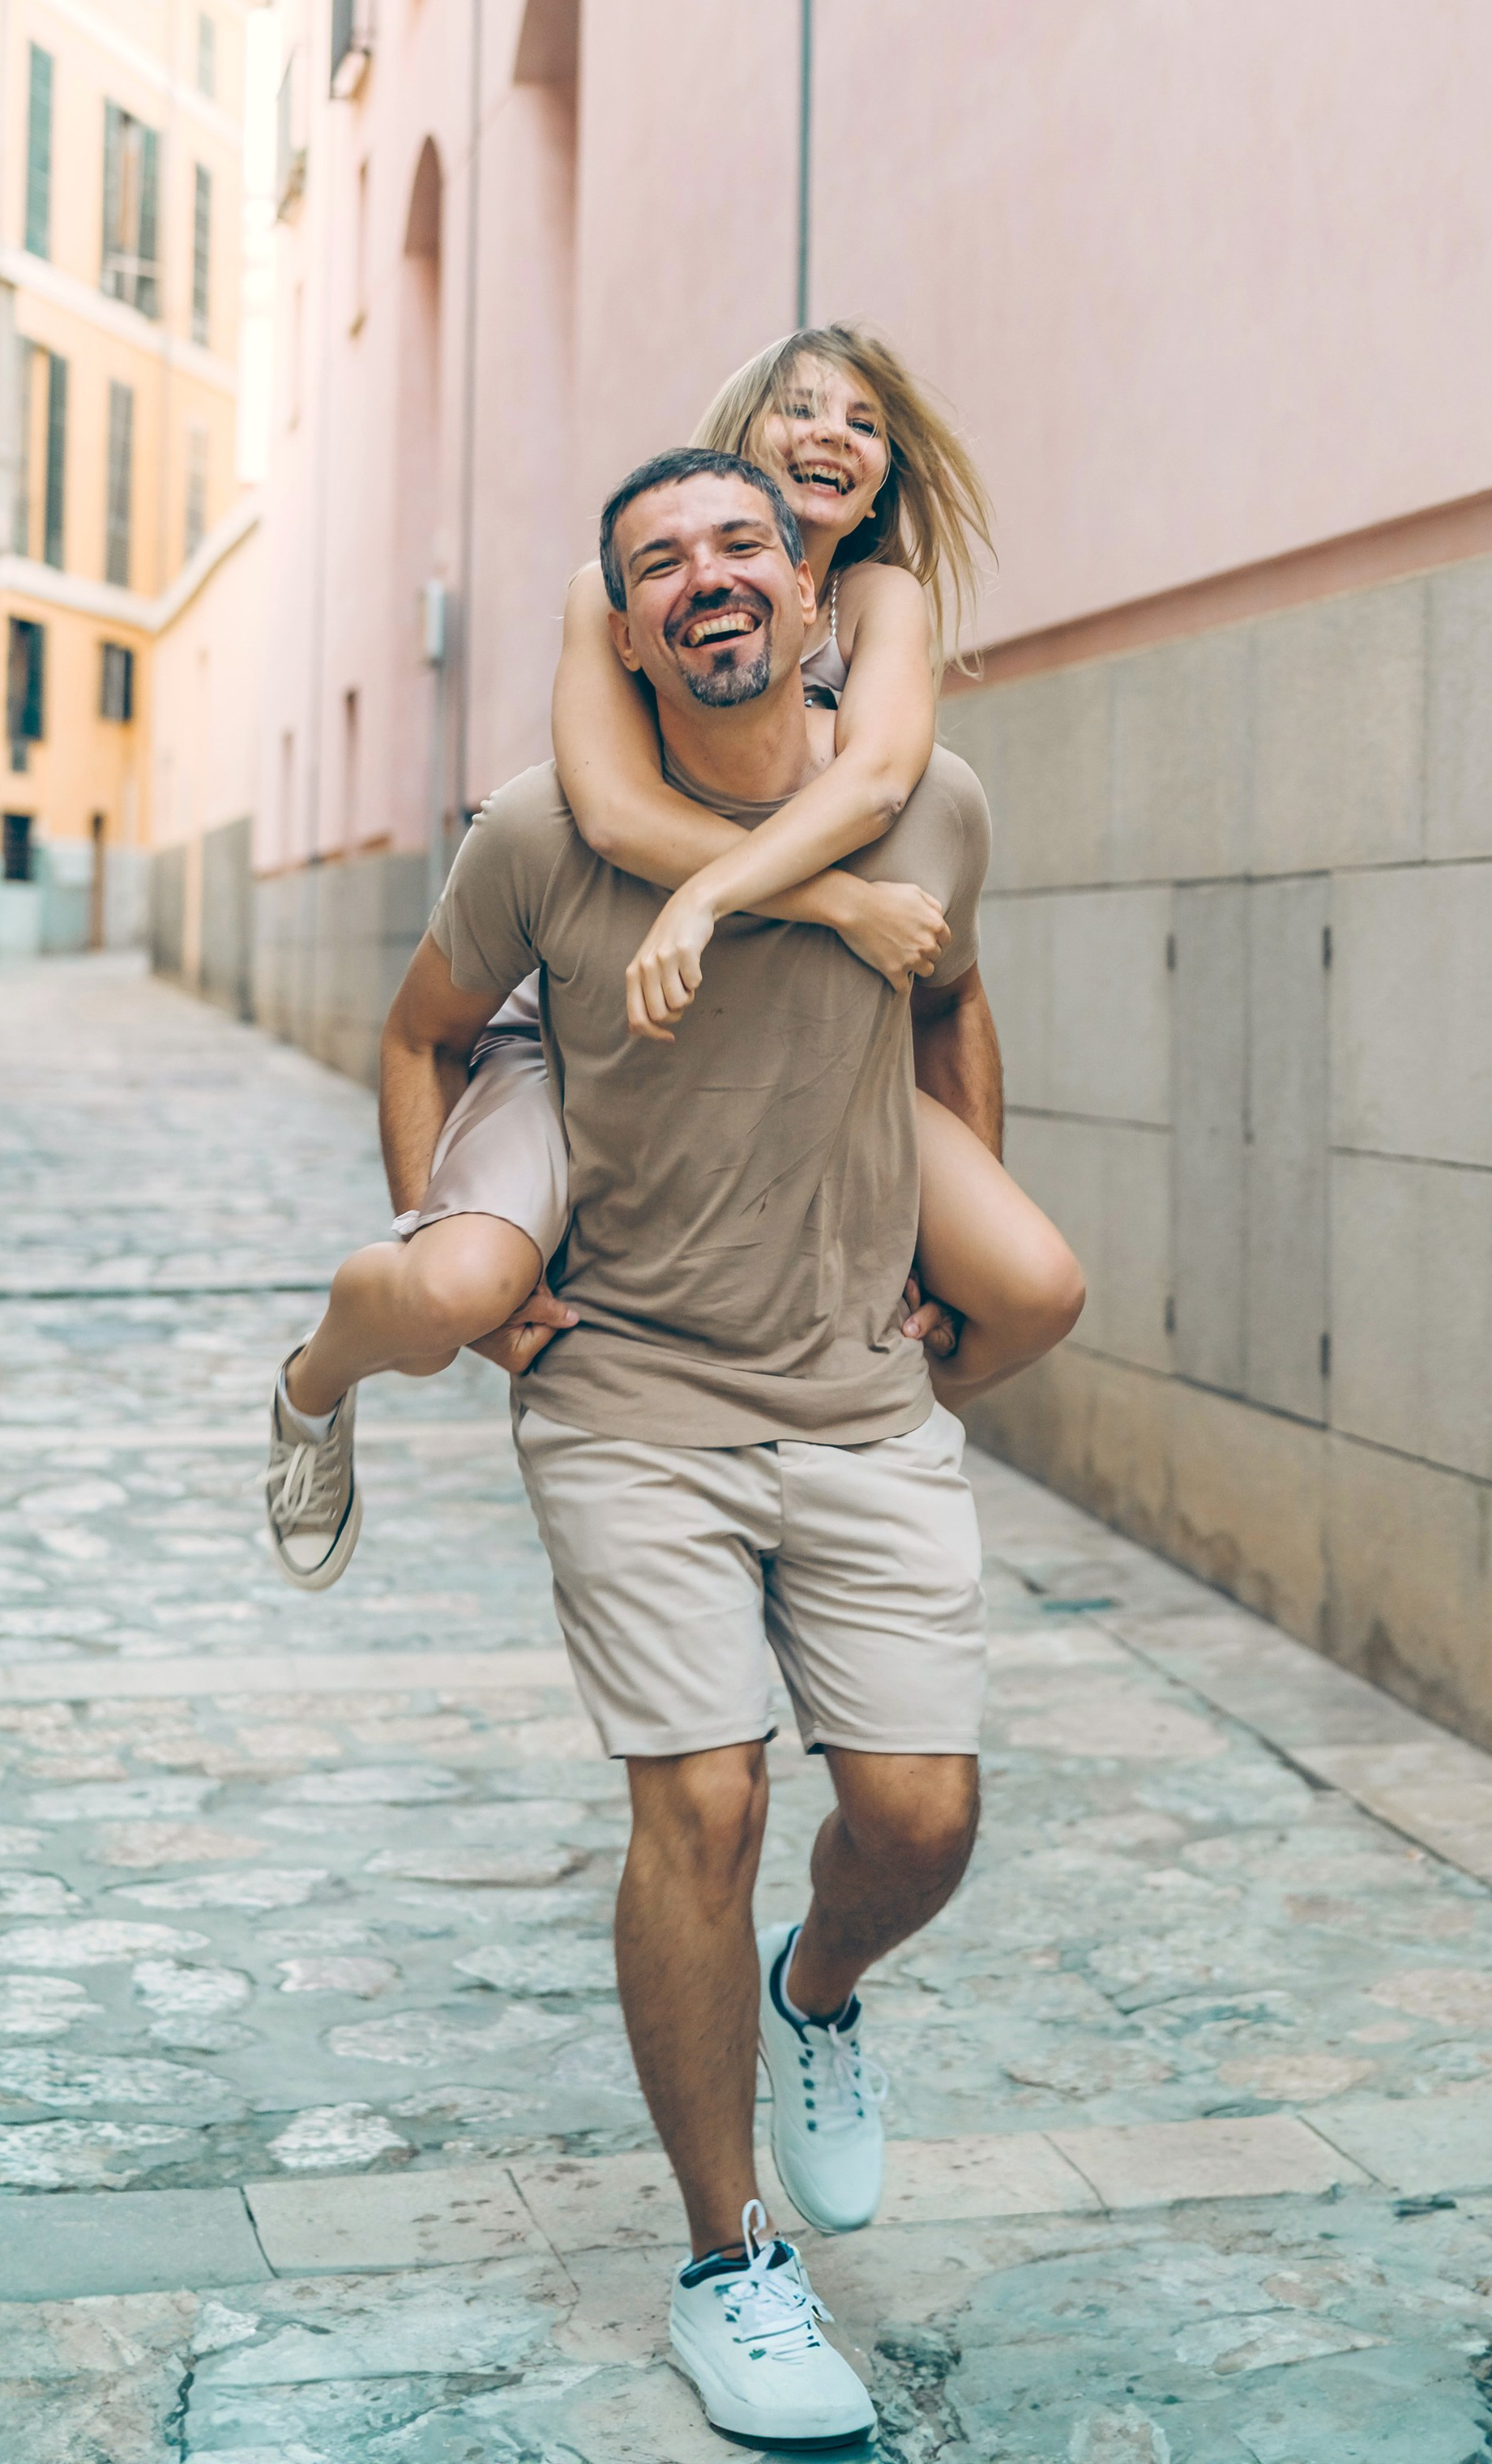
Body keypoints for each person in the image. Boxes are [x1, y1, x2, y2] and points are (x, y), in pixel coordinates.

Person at [336, 445, 1064, 2444]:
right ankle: (726, 2262)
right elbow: (415, 1033)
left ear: (809, 593)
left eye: (740, 543)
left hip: (850, 1387)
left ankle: (814, 1996)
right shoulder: (537, 837)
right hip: (632, 1399)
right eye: (658, 563)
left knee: (917, 1822)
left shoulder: (936, 805)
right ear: (626, 626)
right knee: (708, 1805)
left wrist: (955, 1218)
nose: (705, 579)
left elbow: (953, 1004)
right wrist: (465, 1274)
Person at [263, 324, 1079, 1585]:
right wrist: (823, 906)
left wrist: (919, 1256)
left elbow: (876, 781)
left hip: (807, 1051)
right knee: (451, 1291)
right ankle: (313, 1387)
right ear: (735, 440)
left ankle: (854, 1472)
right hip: (601, 1028)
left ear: (884, 476)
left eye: (862, 423)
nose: (831, 436)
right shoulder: (625, 587)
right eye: (800, 410)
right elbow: (612, 812)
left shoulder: (880, 600)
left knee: (1034, 1289)